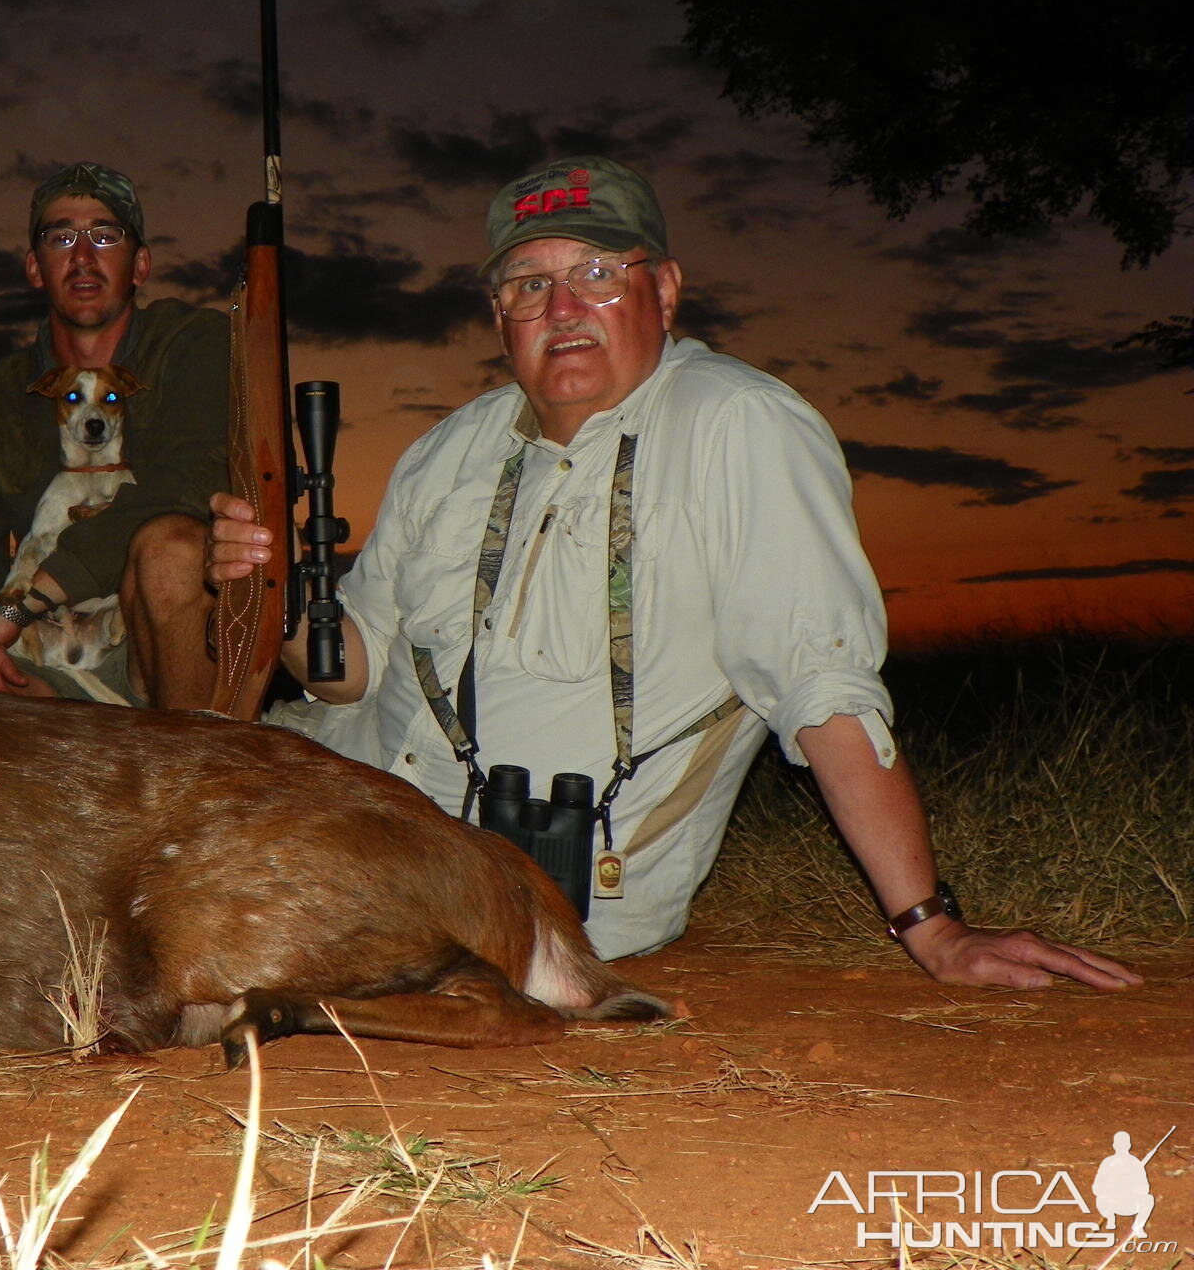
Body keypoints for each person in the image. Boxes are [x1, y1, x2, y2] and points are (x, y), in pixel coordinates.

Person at [210, 154, 1140, 992]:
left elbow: (821, 683)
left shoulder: (738, 426)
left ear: (666, 287)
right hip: (341, 790)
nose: (562, 307)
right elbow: (350, 672)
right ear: (499, 318)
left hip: (529, 889)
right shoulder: (450, 449)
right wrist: (282, 594)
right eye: (529, 284)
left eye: (597, 274)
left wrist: (931, 928)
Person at [0, 162, 225, 708]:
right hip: (41, 665)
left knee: (176, 552)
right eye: (61, 236)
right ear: (35, 267)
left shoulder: (196, 345)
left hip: (162, 651)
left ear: (139, 265)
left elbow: (193, 479)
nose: (83, 256)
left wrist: (21, 606)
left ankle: (193, 773)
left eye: (105, 235)